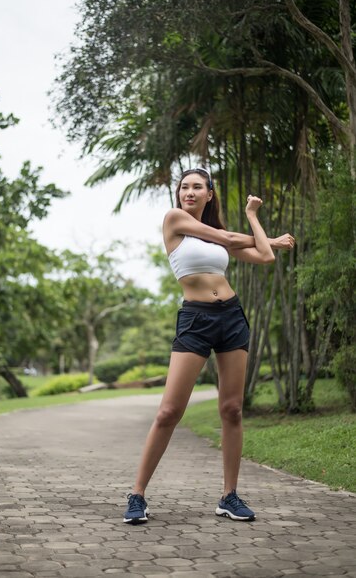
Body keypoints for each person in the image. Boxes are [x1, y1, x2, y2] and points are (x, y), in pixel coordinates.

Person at [123, 168, 295, 524]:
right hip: (196, 320)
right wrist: (265, 238)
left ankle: (229, 496)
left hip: (231, 317)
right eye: (184, 187)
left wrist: (254, 219)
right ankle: (137, 494)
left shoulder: (219, 239)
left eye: (197, 187)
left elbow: (264, 256)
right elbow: (231, 238)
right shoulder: (174, 221)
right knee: (169, 412)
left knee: (232, 409)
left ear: (209, 194)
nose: (189, 192)